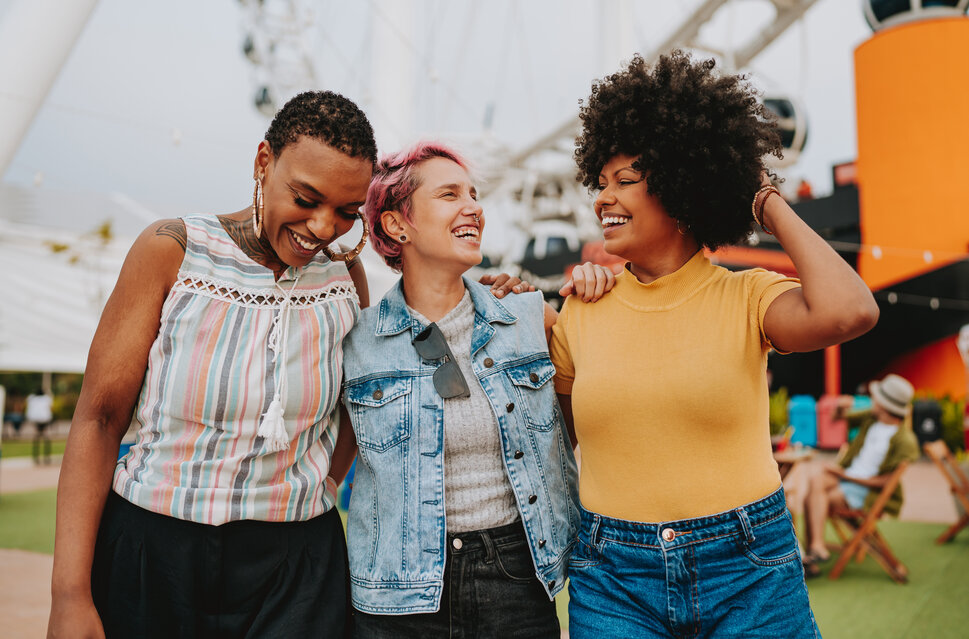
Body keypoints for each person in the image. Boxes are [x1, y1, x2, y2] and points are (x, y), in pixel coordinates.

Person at [550, 51, 880, 638]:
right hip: (613, 575)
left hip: (749, 568)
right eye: (600, 183)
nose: (603, 197)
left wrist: (760, 197)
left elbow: (850, 312)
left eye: (626, 181)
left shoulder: (750, 297)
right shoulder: (579, 309)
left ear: (681, 188)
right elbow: (563, 433)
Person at [48, 91, 383, 639]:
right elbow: (99, 419)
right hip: (152, 560)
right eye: (306, 197)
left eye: (347, 212)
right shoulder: (172, 251)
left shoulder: (346, 281)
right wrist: (69, 596)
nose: (324, 228)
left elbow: (358, 405)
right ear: (263, 162)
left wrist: (318, 487)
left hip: (297, 573)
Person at [341, 141, 614, 639]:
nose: (474, 207)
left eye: (473, 194)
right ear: (396, 225)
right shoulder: (356, 343)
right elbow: (330, 467)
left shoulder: (531, 317)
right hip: (397, 593)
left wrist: (603, 288)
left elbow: (588, 424)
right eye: (449, 195)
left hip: (516, 579)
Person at [801, 373, 919, 577]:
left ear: (884, 405)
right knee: (815, 482)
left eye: (875, 397)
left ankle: (811, 559)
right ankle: (817, 547)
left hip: (866, 490)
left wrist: (845, 476)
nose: (871, 400)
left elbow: (885, 483)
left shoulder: (904, 440)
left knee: (813, 498)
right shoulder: (871, 417)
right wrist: (839, 405)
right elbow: (836, 418)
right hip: (846, 477)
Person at [26, 388, 54, 465]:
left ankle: (36, 457)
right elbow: (50, 407)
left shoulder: (31, 398)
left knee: (37, 437)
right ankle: (46, 457)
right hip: (44, 419)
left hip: (35, 419)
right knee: (46, 438)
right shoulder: (47, 398)